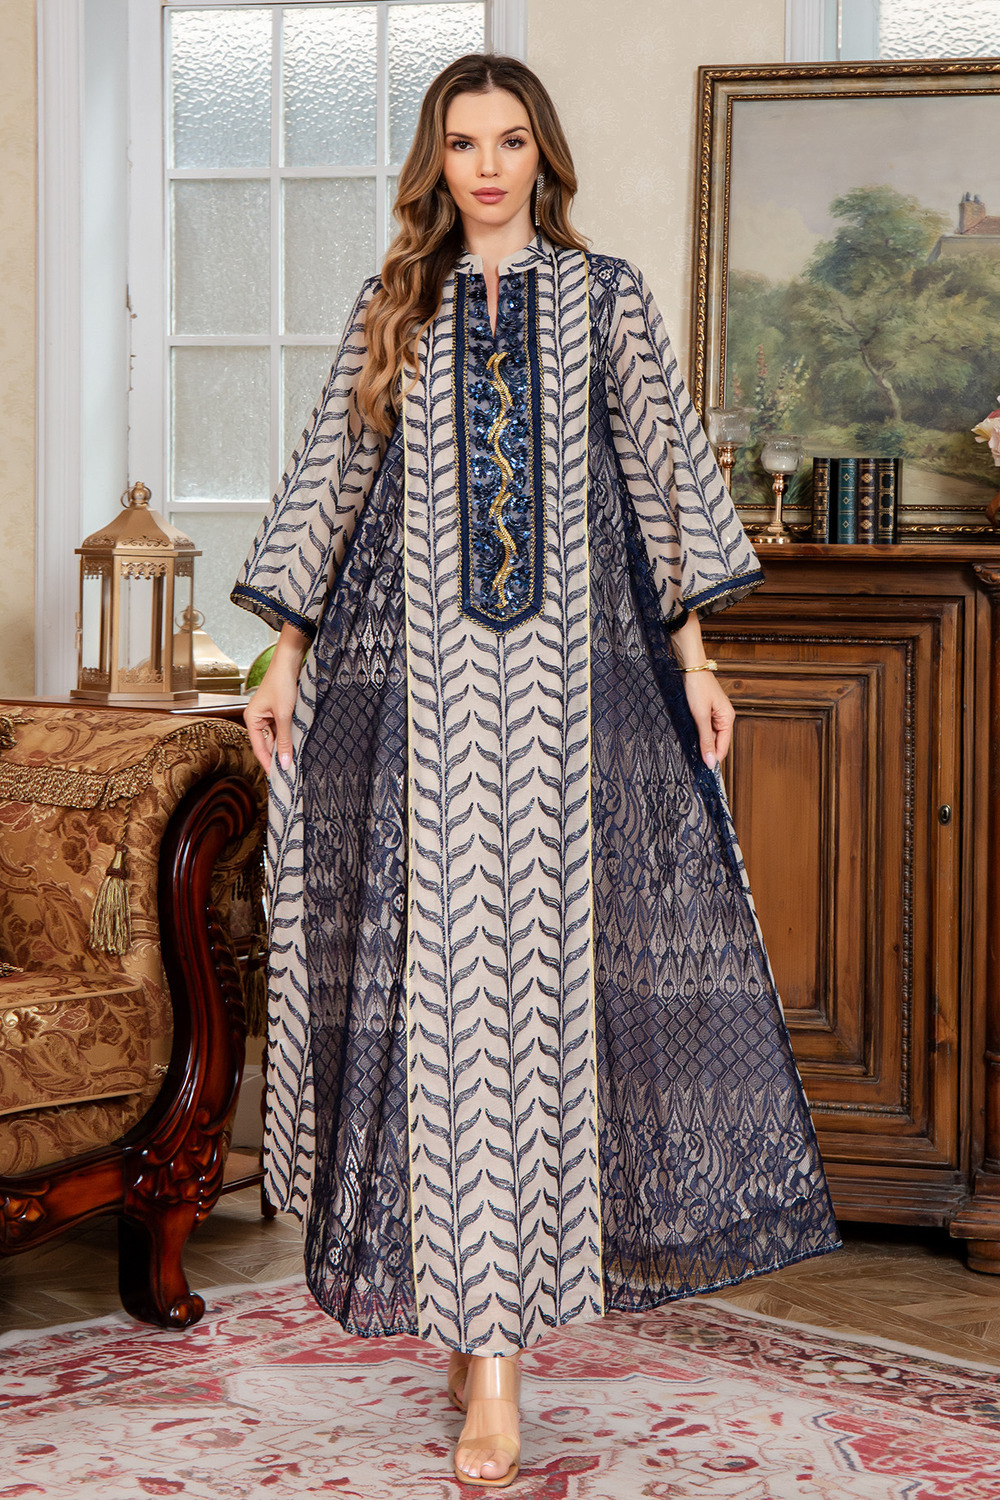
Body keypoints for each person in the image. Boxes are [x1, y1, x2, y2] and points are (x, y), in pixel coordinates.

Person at [233, 53, 840, 1489]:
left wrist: (697, 662)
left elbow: (664, 486)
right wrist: (282, 654)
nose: (490, 166)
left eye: (512, 141)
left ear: (543, 157)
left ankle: (492, 1343)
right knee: (447, 1022)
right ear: (437, 163)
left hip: (572, 719)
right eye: (464, 143)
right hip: (424, 719)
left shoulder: (605, 301)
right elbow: (332, 481)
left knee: (534, 1022)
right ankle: (483, 1342)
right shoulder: (397, 306)